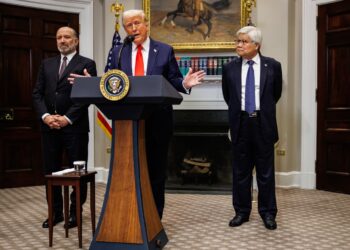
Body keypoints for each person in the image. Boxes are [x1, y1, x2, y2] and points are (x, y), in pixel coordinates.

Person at [73, 9, 203, 219]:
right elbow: (110, 83)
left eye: (137, 23)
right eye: (129, 26)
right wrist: (91, 83)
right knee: (128, 172)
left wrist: (184, 84)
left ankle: (154, 217)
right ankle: (130, 215)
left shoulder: (164, 50)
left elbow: (173, 80)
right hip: (126, 121)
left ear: (146, 24)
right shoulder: (118, 51)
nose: (134, 29)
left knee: (155, 173)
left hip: (158, 120)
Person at [32, 26, 97, 229]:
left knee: (77, 172)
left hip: (74, 128)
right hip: (49, 127)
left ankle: (75, 213)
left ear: (76, 41)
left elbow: (87, 96)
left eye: (67, 37)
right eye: (59, 37)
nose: (62, 40)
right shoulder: (47, 64)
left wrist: (67, 118)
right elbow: (37, 94)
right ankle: (56, 213)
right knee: (51, 172)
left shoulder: (87, 64)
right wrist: (46, 117)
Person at [222, 26, 282, 230]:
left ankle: (268, 213)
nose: (238, 45)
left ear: (257, 45)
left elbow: (275, 95)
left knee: (265, 173)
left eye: (243, 41)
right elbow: (228, 96)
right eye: (237, 41)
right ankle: (241, 212)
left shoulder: (273, 66)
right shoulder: (229, 67)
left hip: (263, 124)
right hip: (240, 123)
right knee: (240, 172)